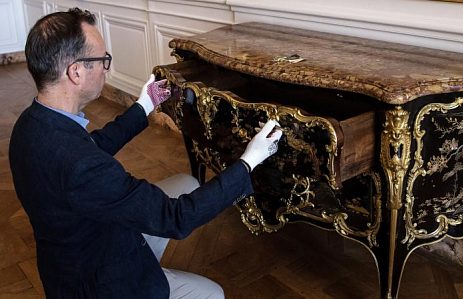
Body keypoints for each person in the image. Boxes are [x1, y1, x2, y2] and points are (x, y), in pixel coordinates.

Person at [9, 7, 282, 298]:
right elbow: (176, 218)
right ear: (76, 72)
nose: (106, 68)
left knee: (186, 184)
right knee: (213, 294)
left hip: (69, 257)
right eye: (102, 60)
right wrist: (248, 161)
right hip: (99, 284)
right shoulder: (82, 166)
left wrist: (144, 105)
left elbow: (92, 146)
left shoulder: (29, 125)